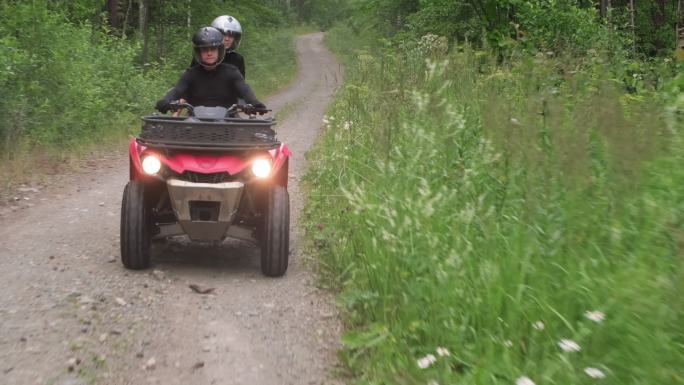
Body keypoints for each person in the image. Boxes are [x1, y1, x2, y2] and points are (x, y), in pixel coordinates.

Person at [156, 27, 265, 114]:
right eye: (204, 49)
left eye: (213, 49)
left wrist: (254, 103)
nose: (209, 53)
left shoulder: (232, 72)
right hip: (194, 121)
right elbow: (177, 90)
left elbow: (245, 89)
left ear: (220, 50)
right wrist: (166, 100)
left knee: (246, 140)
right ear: (198, 53)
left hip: (229, 120)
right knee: (175, 140)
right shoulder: (190, 74)